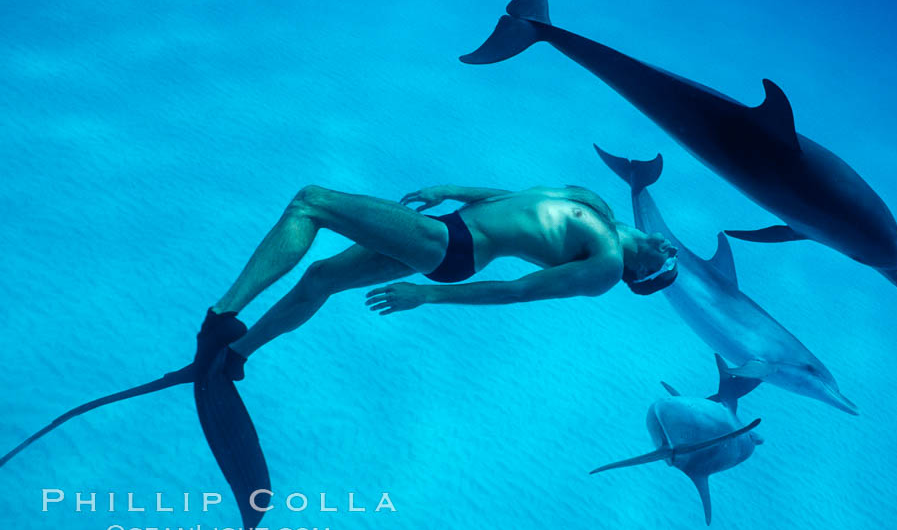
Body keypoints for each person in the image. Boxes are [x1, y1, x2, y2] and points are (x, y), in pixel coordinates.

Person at [195, 183, 678, 380]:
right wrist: (450, 189)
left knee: (310, 203)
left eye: (668, 264)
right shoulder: (599, 205)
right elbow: (517, 198)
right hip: (451, 224)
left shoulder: (607, 267)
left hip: (452, 248)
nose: (672, 248)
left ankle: (221, 317)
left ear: (641, 275)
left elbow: (518, 291)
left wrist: (428, 293)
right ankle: (235, 357)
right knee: (321, 276)